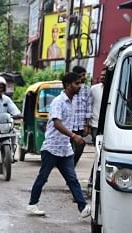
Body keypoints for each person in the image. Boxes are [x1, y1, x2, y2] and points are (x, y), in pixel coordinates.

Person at [26, 71, 89, 218]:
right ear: (68, 85)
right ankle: (32, 204)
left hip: (65, 149)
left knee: (72, 179)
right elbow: (57, 123)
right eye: (77, 83)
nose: (79, 86)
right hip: (52, 148)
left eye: (80, 83)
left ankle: (83, 207)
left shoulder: (72, 102)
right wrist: (74, 136)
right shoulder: (58, 102)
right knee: (43, 177)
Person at [68, 65, 92, 166]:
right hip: (69, 125)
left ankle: (72, 165)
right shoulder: (68, 89)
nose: (84, 77)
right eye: (82, 75)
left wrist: (87, 125)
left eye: (84, 75)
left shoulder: (87, 90)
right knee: (67, 148)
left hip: (80, 125)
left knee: (80, 147)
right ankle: (68, 167)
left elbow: (88, 108)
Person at [88, 66, 107, 137]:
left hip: (109, 125)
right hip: (95, 124)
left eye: (104, 75)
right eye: (101, 75)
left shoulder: (114, 89)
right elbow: (88, 105)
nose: (102, 77)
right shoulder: (94, 89)